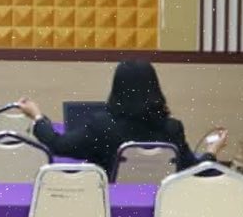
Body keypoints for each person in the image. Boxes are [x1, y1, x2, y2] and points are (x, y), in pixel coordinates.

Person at [18, 59, 221, 175]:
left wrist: (37, 117)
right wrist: (211, 151)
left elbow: (58, 144)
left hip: (108, 209)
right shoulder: (172, 129)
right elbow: (194, 171)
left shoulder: (102, 126)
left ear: (117, 88)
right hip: (160, 211)